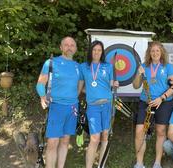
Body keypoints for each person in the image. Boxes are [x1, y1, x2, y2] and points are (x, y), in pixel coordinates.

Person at [36, 36, 81, 168]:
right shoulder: (51, 62)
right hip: (56, 107)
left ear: (76, 49)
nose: (69, 47)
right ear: (61, 47)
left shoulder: (77, 66)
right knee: (52, 142)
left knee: (65, 141)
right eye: (66, 45)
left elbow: (81, 86)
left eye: (72, 45)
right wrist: (42, 97)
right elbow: (40, 84)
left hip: (73, 107)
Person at [132, 41, 173, 168]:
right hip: (145, 102)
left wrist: (161, 98)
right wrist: (138, 73)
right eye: (152, 51)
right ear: (149, 53)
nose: (155, 53)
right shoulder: (144, 66)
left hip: (164, 103)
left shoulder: (168, 67)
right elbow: (136, 86)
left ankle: (157, 163)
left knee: (161, 131)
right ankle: (139, 163)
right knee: (140, 131)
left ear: (161, 52)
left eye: (157, 50)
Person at [79, 40, 118, 168]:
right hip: (93, 106)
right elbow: (80, 87)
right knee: (95, 138)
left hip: (107, 104)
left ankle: (101, 165)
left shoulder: (108, 67)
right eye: (94, 50)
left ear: (102, 52)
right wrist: (89, 91)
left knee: (105, 136)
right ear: (91, 51)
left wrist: (114, 84)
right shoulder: (83, 67)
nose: (96, 52)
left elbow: (112, 83)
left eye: (99, 50)